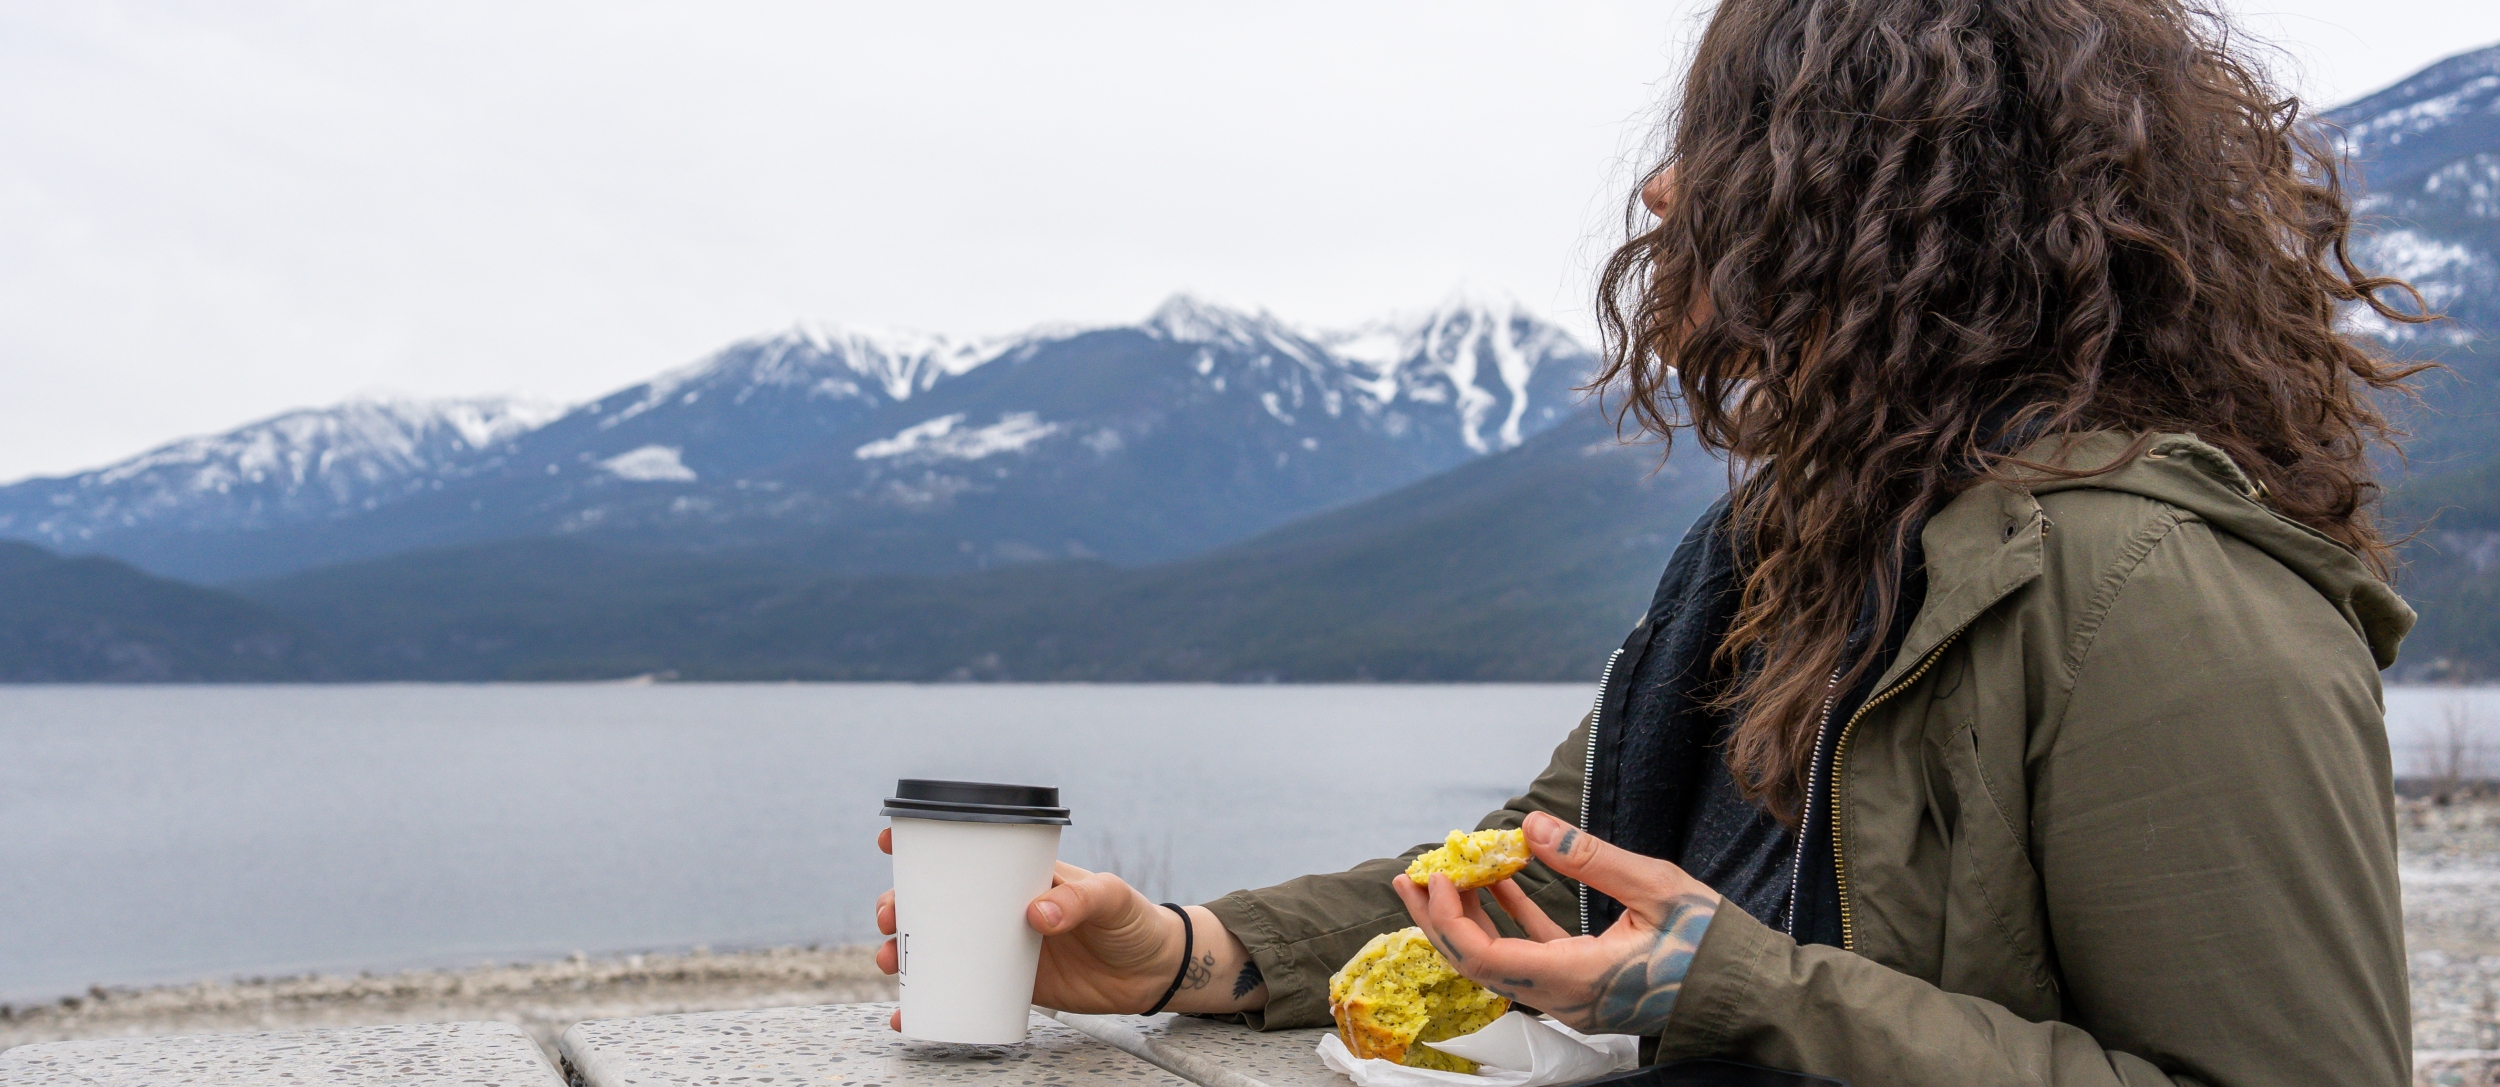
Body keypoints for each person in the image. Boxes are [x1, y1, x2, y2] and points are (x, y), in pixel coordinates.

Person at [876, 0, 2434, 1080]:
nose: (1663, 186)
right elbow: (1534, 879)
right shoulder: (1791, 549)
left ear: (1906, 199)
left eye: (1735, 136)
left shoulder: (2160, 599)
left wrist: (1730, 990)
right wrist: (1183, 953)